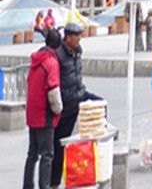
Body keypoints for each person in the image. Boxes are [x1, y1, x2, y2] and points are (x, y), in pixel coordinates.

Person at [52, 22, 99, 188]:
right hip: (67, 104)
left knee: (100, 104)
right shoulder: (59, 55)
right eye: (76, 35)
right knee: (59, 144)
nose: (79, 38)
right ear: (68, 37)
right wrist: (65, 99)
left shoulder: (78, 51)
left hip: (80, 95)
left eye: (80, 35)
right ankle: (53, 182)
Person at [24, 29, 62, 189]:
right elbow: (53, 90)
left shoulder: (36, 60)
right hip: (45, 116)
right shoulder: (51, 63)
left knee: (32, 154)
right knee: (47, 155)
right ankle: (44, 186)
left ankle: (27, 185)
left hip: (32, 114)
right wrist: (58, 109)